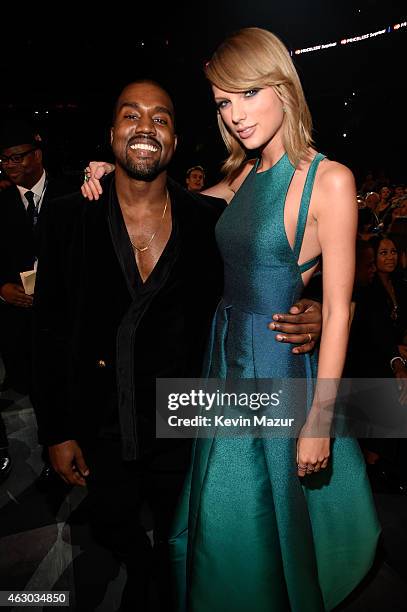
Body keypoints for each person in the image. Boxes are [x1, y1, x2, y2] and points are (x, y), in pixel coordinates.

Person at [35, 79, 322, 612]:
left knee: (184, 533)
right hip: (99, 421)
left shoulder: (208, 221)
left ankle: (162, 587)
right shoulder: (67, 216)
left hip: (188, 422)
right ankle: (144, 571)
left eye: (160, 118)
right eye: (131, 115)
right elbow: (49, 329)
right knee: (111, 524)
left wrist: (316, 307)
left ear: (176, 140)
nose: (145, 127)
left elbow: (270, 270)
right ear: (111, 133)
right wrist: (57, 429)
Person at [168, 28, 380, 612]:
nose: (236, 115)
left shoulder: (328, 180)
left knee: (242, 510)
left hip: (273, 368)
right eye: (223, 103)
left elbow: (339, 309)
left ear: (284, 87)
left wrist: (321, 418)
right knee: (221, 507)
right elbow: (175, 205)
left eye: (249, 93)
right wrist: (113, 174)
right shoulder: (244, 174)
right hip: (223, 358)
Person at [0, 119, 76, 488]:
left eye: (16, 158)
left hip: (67, 318)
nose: (10, 166)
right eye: (4, 161)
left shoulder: (72, 193)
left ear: (37, 156)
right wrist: (1, 289)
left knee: (69, 383)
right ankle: (51, 450)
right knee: (36, 386)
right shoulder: (0, 203)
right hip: (20, 323)